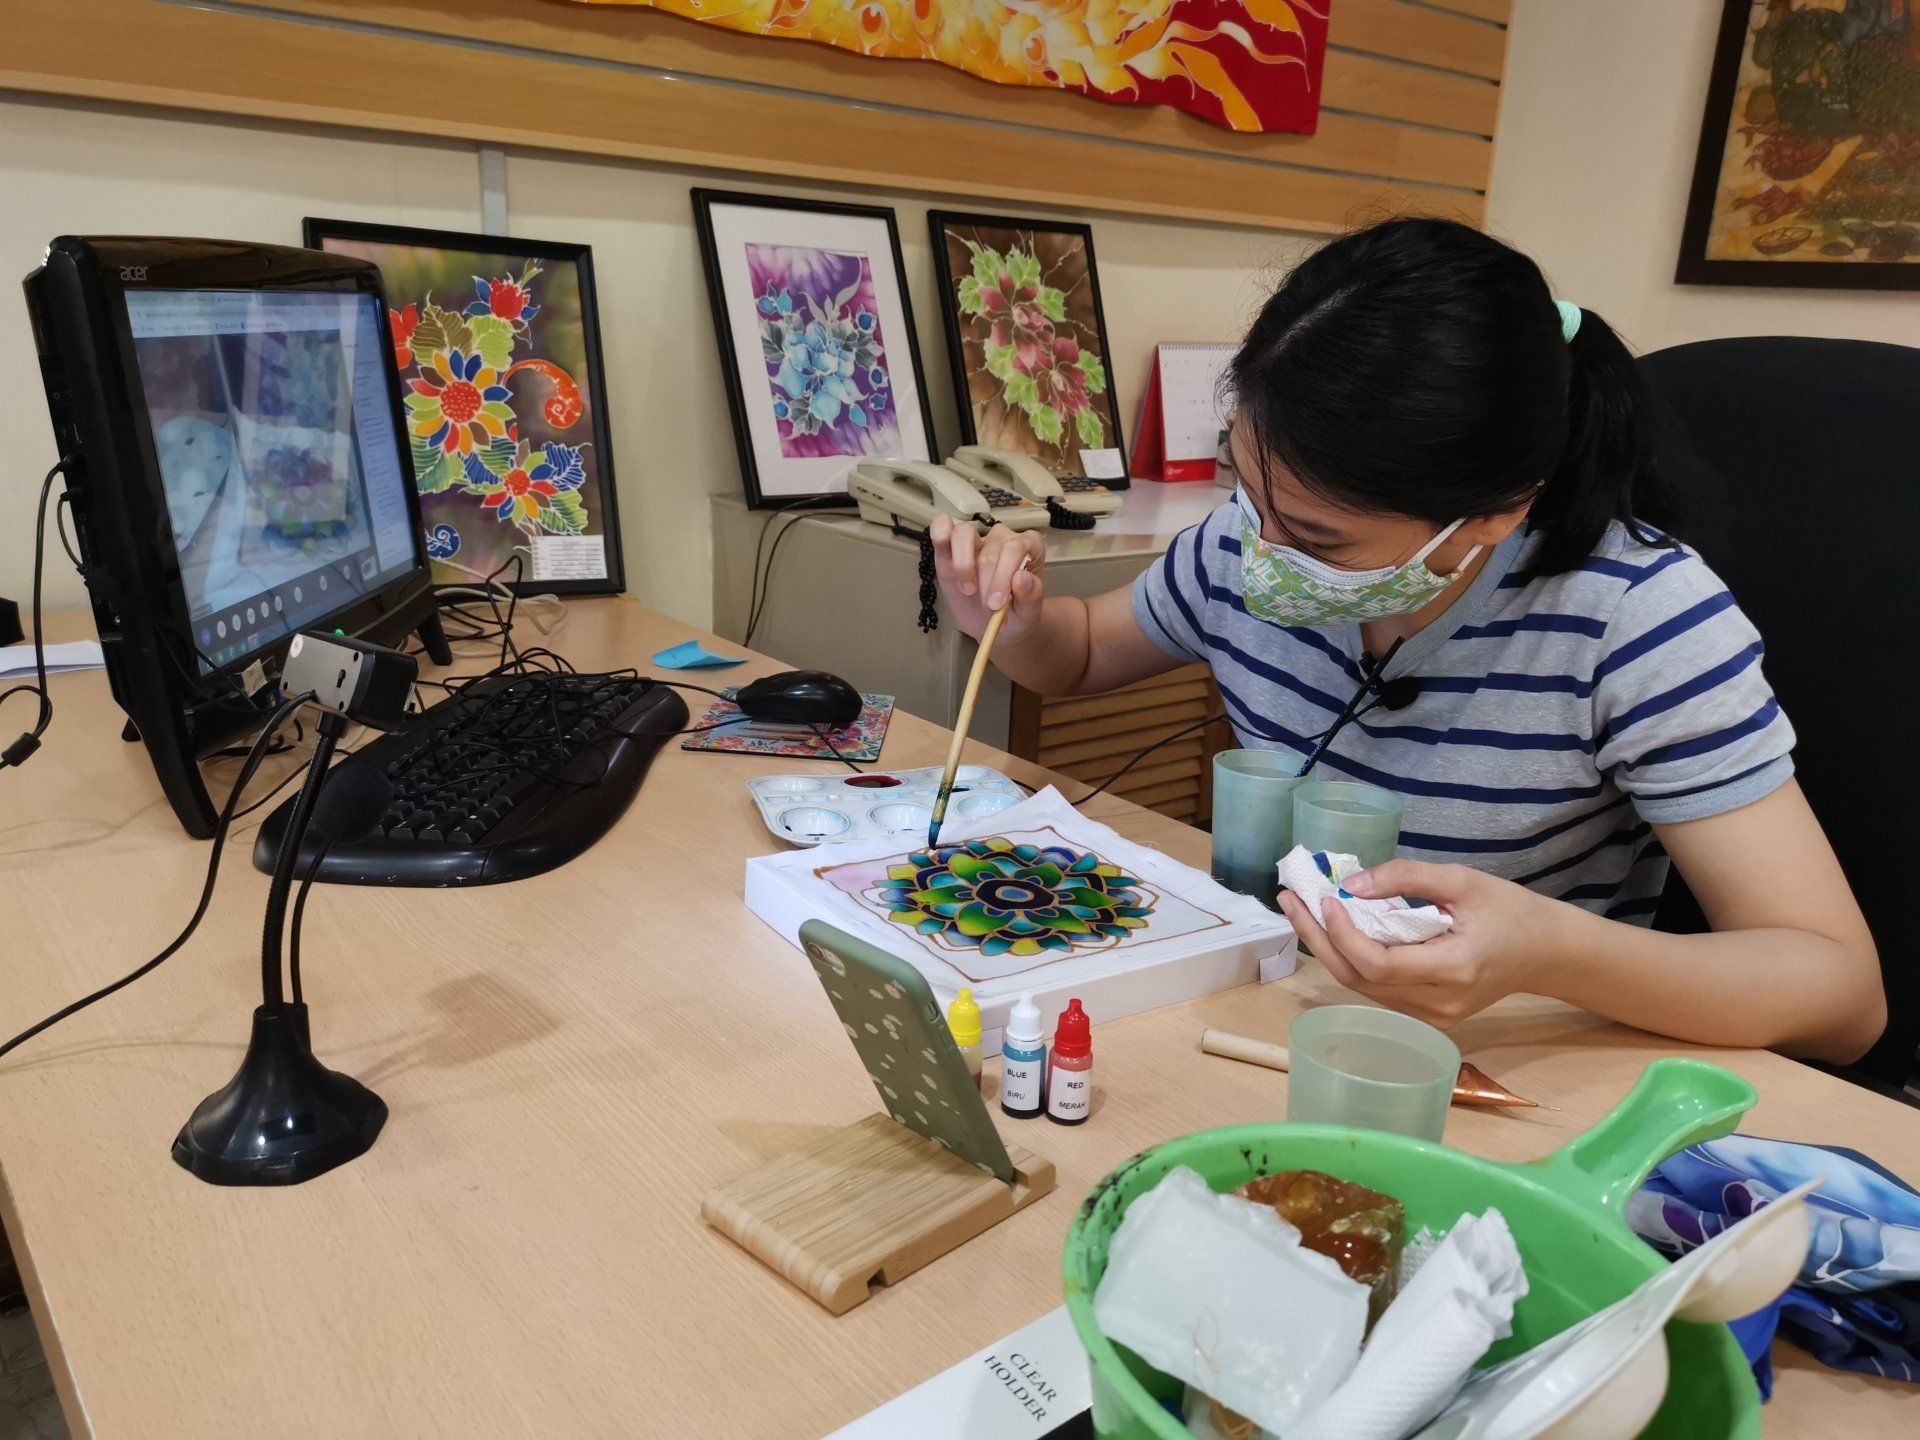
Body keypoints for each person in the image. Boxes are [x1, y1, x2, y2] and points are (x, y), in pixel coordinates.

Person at [929, 217, 1883, 1063]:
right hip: (1264, 1014)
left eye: (1318, 540)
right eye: (1248, 494)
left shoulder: (1638, 618)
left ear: (1494, 514)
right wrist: (1013, 621)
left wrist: (1546, 951)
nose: (1261, 556)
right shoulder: (1242, 540)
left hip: (1493, 1062)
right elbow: (1081, 654)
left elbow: (1840, 998)